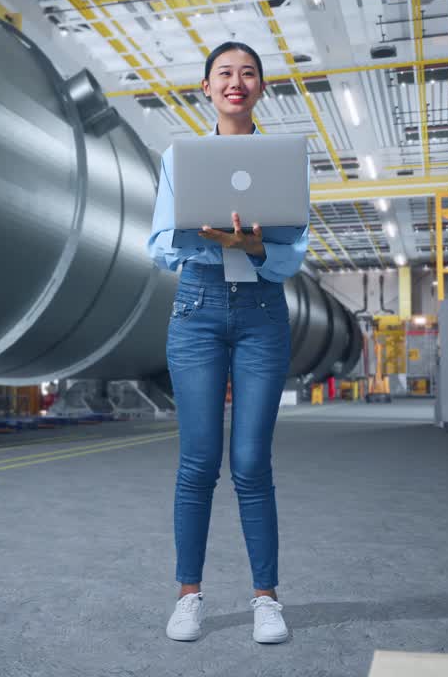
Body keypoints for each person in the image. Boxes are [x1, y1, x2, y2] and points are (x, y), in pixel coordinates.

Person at [145, 41, 310, 644]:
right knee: (197, 463)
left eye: (247, 74)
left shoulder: (286, 157)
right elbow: (159, 244)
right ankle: (188, 596)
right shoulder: (180, 158)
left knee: (250, 464)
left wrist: (256, 248)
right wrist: (213, 242)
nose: (235, 82)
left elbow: (296, 251)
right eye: (224, 74)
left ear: (261, 88)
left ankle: (266, 598)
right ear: (207, 88)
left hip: (262, 314)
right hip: (198, 310)